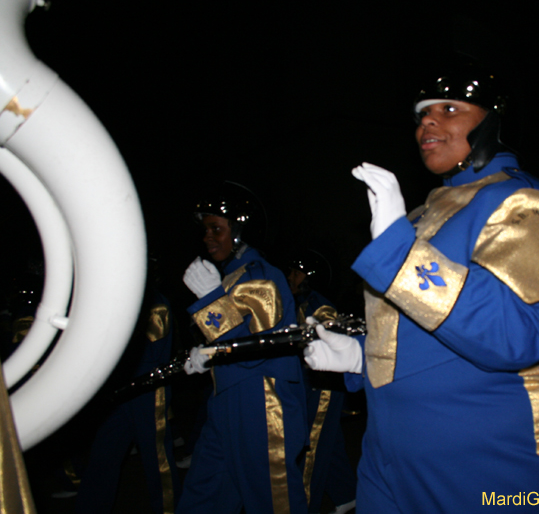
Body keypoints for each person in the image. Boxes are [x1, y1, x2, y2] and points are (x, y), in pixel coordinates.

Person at [305, 61, 539, 512]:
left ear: (492, 122)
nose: (427, 122)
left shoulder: (523, 203)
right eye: (421, 114)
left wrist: (400, 253)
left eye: (448, 108)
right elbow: (418, 324)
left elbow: (519, 335)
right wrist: (362, 355)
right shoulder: (418, 215)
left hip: (489, 453)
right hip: (389, 451)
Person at [177, 184, 306, 514]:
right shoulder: (230, 276)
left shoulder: (261, 276)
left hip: (261, 401)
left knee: (272, 500)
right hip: (227, 399)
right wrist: (207, 356)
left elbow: (256, 348)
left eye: (216, 228)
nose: (207, 236)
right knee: (204, 495)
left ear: (239, 232)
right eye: (205, 229)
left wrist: (210, 301)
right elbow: (230, 340)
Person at [75, 268, 181, 514]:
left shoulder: (154, 304)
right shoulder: (121, 300)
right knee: (103, 456)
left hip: (148, 391)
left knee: (157, 460)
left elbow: (142, 352)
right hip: (121, 391)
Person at [286, 251, 357, 514]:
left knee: (311, 446)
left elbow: (332, 328)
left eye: (296, 272)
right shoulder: (300, 302)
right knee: (330, 440)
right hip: (310, 381)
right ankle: (346, 495)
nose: (290, 277)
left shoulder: (319, 305)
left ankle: (304, 505)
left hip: (323, 385)